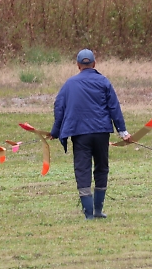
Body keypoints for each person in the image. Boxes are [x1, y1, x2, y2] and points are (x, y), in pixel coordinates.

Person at [50, 49, 132, 220]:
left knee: (82, 170)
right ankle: (98, 210)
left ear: (78, 65)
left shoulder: (69, 84)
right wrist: (123, 132)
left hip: (80, 133)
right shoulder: (104, 81)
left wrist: (55, 132)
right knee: (101, 168)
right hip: (101, 132)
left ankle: (89, 214)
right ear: (94, 64)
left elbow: (59, 108)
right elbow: (114, 107)